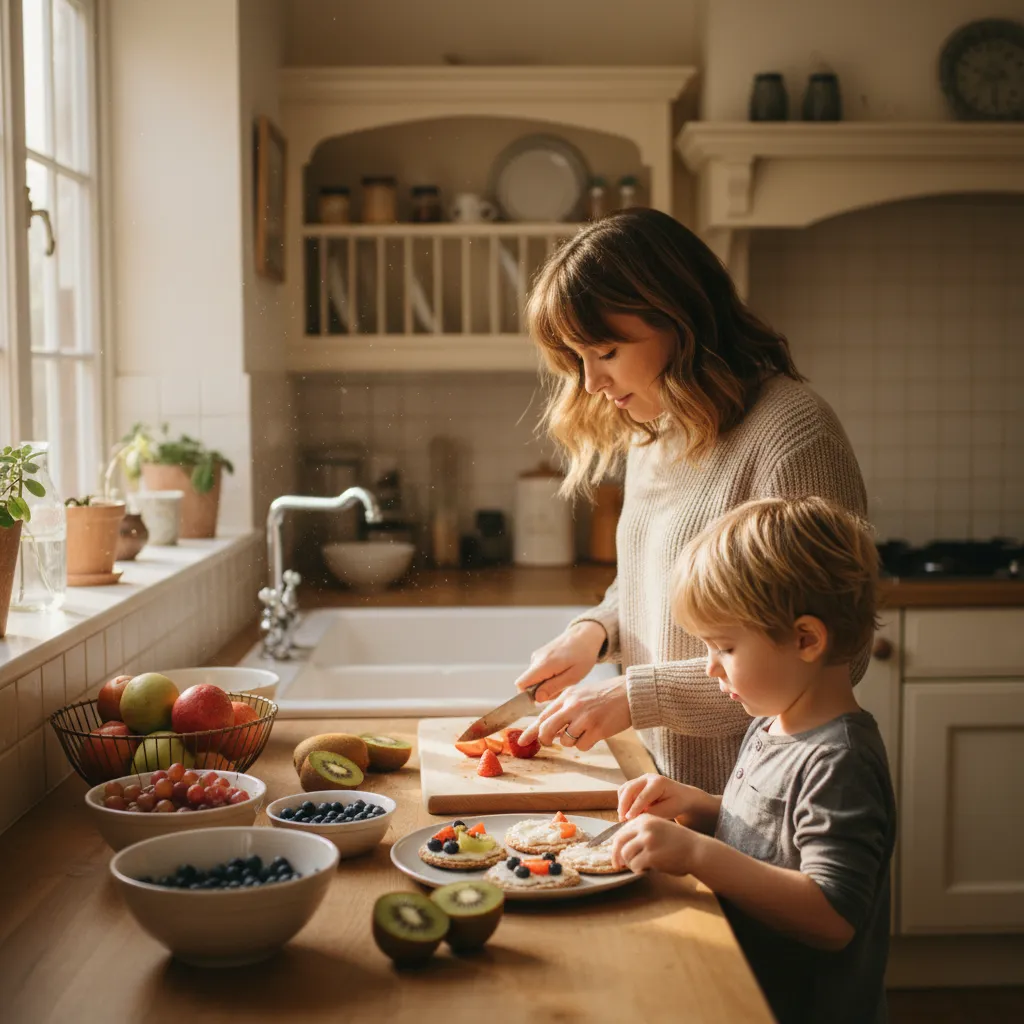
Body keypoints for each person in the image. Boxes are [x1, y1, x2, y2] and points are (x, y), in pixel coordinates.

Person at [515, 207, 869, 794]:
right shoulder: (655, 430)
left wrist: (637, 694)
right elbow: (661, 584)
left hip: (762, 806)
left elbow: (831, 656)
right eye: (578, 359)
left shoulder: (793, 433)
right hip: (665, 788)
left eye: (604, 351)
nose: (591, 384)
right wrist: (596, 633)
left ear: (681, 321)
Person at [610, 496, 896, 1024]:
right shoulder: (772, 723)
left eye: (724, 648)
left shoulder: (839, 762)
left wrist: (699, 855)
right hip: (745, 993)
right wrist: (704, 809)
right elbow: (778, 838)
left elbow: (832, 917)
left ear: (805, 639)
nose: (711, 668)